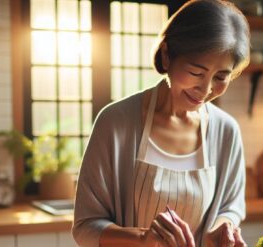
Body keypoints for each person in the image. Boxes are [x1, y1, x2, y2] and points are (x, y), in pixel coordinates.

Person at [72, 0, 250, 246]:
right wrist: (143, 239)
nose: (206, 89)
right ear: (167, 56)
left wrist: (223, 228)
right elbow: (85, 227)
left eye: (221, 77)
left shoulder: (226, 131)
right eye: (196, 72)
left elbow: (232, 207)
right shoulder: (115, 123)